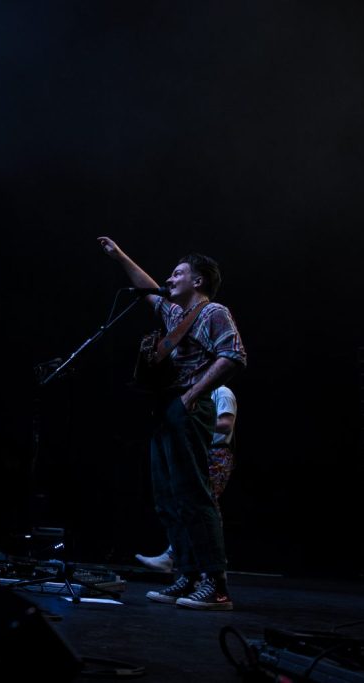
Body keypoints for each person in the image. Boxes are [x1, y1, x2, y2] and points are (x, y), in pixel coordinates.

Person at [99, 237, 246, 610]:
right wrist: (119, 255)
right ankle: (188, 575)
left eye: (178, 273)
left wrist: (192, 394)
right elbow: (148, 288)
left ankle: (216, 585)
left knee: (194, 494)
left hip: (187, 406)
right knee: (168, 496)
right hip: (164, 407)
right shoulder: (173, 314)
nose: (171, 277)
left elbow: (233, 355)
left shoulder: (214, 312)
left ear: (198, 281)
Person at [135, 384, 237, 572]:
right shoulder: (199, 392)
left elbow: (226, 424)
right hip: (202, 450)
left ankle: (205, 564)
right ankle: (182, 558)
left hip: (216, 454)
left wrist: (195, 422)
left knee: (205, 504)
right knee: (187, 503)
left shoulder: (222, 393)